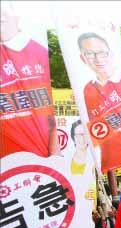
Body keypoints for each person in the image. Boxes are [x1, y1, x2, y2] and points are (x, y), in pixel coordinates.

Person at [0, 2, 60, 158]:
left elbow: (50, 121)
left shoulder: (37, 51)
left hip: (36, 159)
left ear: (17, 15)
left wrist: (54, 158)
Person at [78, 32, 121, 172]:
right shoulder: (87, 90)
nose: (97, 59)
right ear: (83, 58)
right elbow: (96, 132)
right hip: (114, 166)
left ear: (111, 54)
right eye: (89, 54)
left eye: (102, 53)